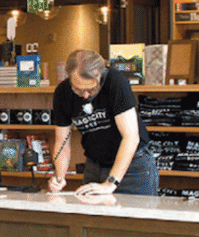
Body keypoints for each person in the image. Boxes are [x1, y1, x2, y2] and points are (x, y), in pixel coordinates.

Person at [48, 49, 159, 196]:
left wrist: (110, 183)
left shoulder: (116, 81)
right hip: (94, 165)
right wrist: (59, 176)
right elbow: (62, 140)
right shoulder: (62, 93)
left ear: (100, 74)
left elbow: (131, 137)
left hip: (132, 167)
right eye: (78, 90)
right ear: (67, 75)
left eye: (91, 89)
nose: (85, 95)